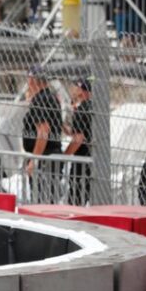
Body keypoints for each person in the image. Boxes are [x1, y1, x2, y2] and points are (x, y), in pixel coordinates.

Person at [22, 66, 63, 203]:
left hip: (44, 157)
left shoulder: (40, 100)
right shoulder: (51, 97)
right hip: (51, 155)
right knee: (48, 198)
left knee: (40, 199)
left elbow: (43, 132)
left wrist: (34, 160)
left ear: (32, 80)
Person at [64, 78, 93, 206]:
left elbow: (79, 138)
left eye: (75, 87)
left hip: (82, 161)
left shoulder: (81, 110)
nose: (72, 90)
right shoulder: (92, 107)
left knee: (75, 199)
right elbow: (82, 132)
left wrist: (63, 156)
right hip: (91, 157)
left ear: (81, 90)